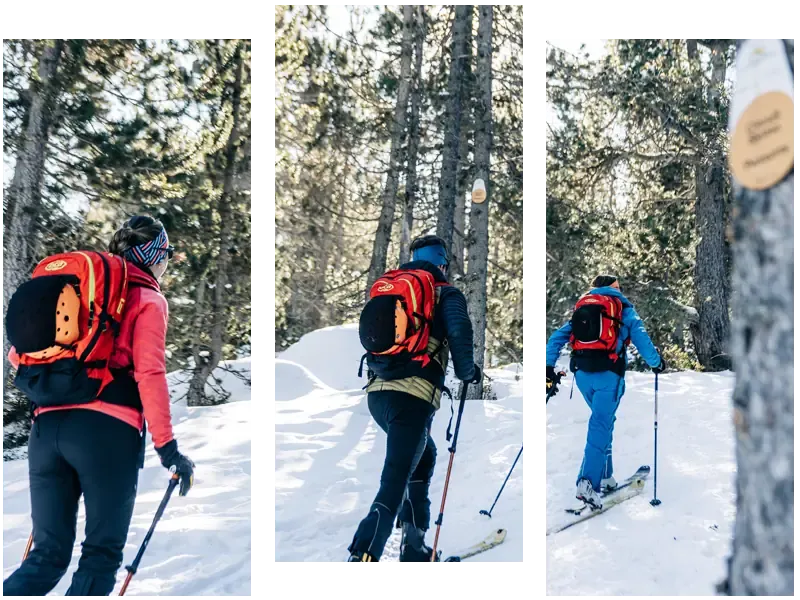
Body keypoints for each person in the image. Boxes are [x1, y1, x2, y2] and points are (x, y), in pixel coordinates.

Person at [2, 215, 195, 597]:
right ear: (154, 256)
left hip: (45, 432)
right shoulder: (148, 299)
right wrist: (168, 448)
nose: (167, 262)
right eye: (167, 253)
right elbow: (150, 374)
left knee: (47, 556)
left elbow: (16, 355)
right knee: (100, 554)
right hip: (105, 433)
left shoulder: (82, 296)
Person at [347, 234, 481, 564]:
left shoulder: (395, 289)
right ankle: (363, 555)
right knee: (395, 478)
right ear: (442, 264)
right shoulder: (445, 292)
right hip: (412, 398)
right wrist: (468, 371)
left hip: (379, 396)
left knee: (423, 455)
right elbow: (460, 331)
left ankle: (414, 547)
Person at [544, 274, 665, 509]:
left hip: (582, 375)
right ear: (614, 287)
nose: (620, 289)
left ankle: (606, 476)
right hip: (609, 375)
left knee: (604, 420)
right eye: (618, 286)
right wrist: (656, 362)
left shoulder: (583, 307)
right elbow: (641, 337)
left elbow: (556, 338)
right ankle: (587, 482)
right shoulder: (623, 308)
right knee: (601, 423)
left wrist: (548, 367)